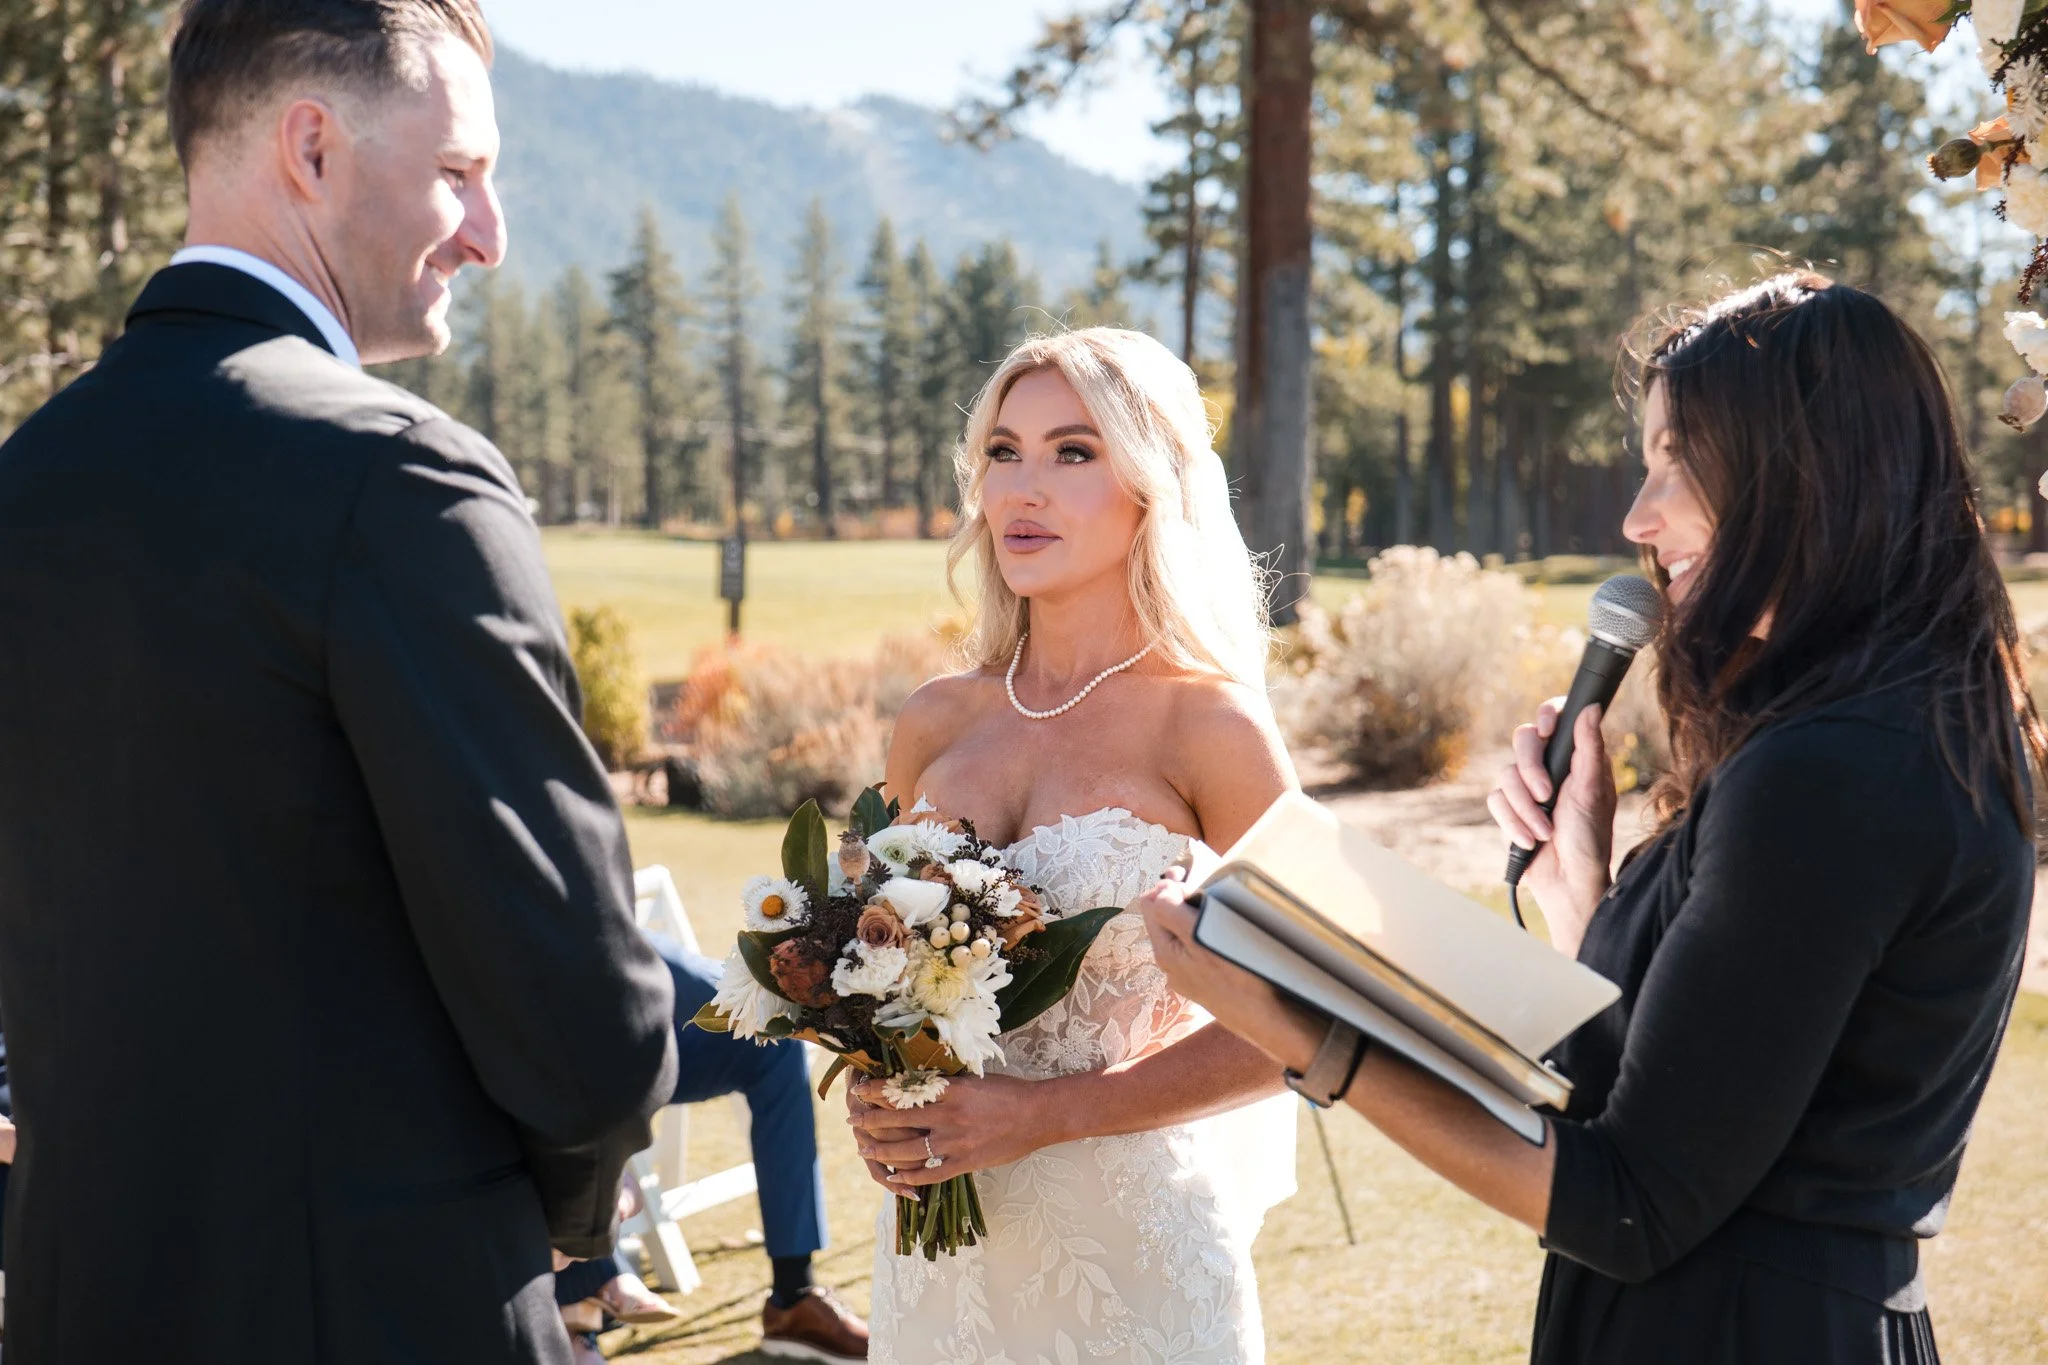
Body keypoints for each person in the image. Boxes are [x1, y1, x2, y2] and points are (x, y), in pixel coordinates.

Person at [1138, 273, 2044, 1365]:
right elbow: (1698, 1094)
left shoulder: (1835, 769)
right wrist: (1584, 896)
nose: (1634, 517)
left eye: (1676, 459)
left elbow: (1630, 1202)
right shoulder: (1891, 727)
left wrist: (1298, 1030)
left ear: (1803, 471)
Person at [0, 2, 680, 1360]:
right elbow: (578, 1009)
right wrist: (569, 1206)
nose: (490, 236)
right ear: (310, 148)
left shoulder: (31, 477)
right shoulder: (397, 476)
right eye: (459, 174)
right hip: (383, 1305)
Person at [843, 328, 1301, 1363]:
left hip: (1132, 1259)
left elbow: (1308, 1020)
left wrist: (1048, 1114)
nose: (1022, 489)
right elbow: (863, 959)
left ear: (1152, 485)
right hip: (936, 1274)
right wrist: (876, 1089)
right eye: (1002, 452)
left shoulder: (1209, 729)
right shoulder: (936, 720)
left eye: (1072, 451)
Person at [552, 935, 868, 1365]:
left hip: (623, 1003)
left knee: (776, 1044)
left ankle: (794, 1296)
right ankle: (579, 1303)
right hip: (559, 1028)